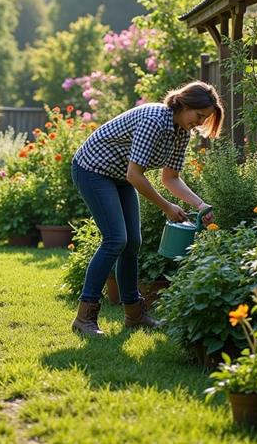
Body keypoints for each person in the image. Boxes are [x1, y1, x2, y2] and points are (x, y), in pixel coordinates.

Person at [70, 81, 224, 336]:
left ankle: (134, 315)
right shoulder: (154, 119)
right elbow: (135, 174)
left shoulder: (181, 132)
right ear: (185, 105)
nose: (199, 123)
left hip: (118, 176)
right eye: (199, 116)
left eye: (204, 119)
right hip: (92, 170)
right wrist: (166, 206)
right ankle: (84, 318)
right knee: (115, 239)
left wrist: (200, 204)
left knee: (132, 243)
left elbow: (170, 177)